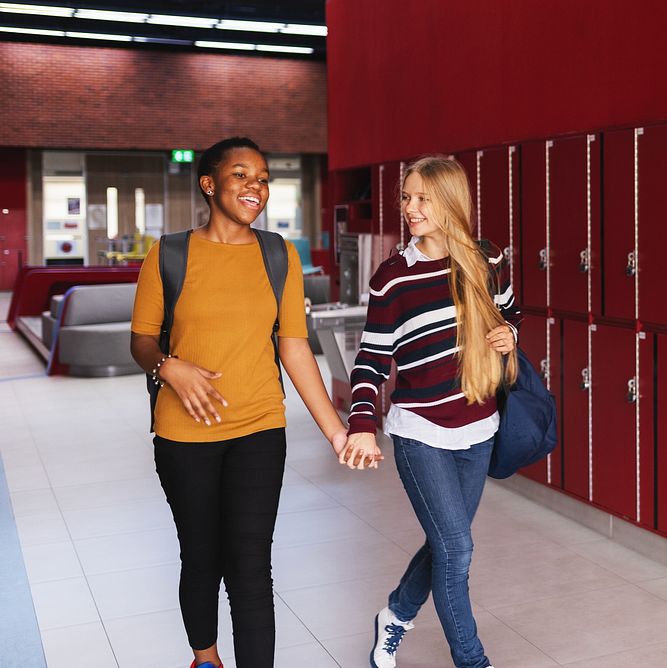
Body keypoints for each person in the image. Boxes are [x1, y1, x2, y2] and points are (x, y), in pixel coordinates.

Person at [130, 137, 355, 668]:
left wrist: (336, 430)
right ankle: (205, 658)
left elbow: (294, 345)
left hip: (259, 426)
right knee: (202, 556)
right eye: (241, 175)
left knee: (251, 564)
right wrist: (170, 367)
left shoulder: (278, 254)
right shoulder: (170, 253)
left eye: (262, 178)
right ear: (209, 184)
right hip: (184, 436)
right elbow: (141, 339)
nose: (255, 187)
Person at [342, 156, 520, 668]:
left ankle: (395, 614)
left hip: (479, 429)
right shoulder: (393, 278)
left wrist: (510, 336)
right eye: (406, 197)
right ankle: (473, 661)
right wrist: (362, 426)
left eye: (423, 198)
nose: (411, 208)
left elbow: (511, 314)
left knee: (448, 543)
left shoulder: (486, 260)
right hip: (422, 433)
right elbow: (372, 360)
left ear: (451, 201)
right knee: (458, 550)